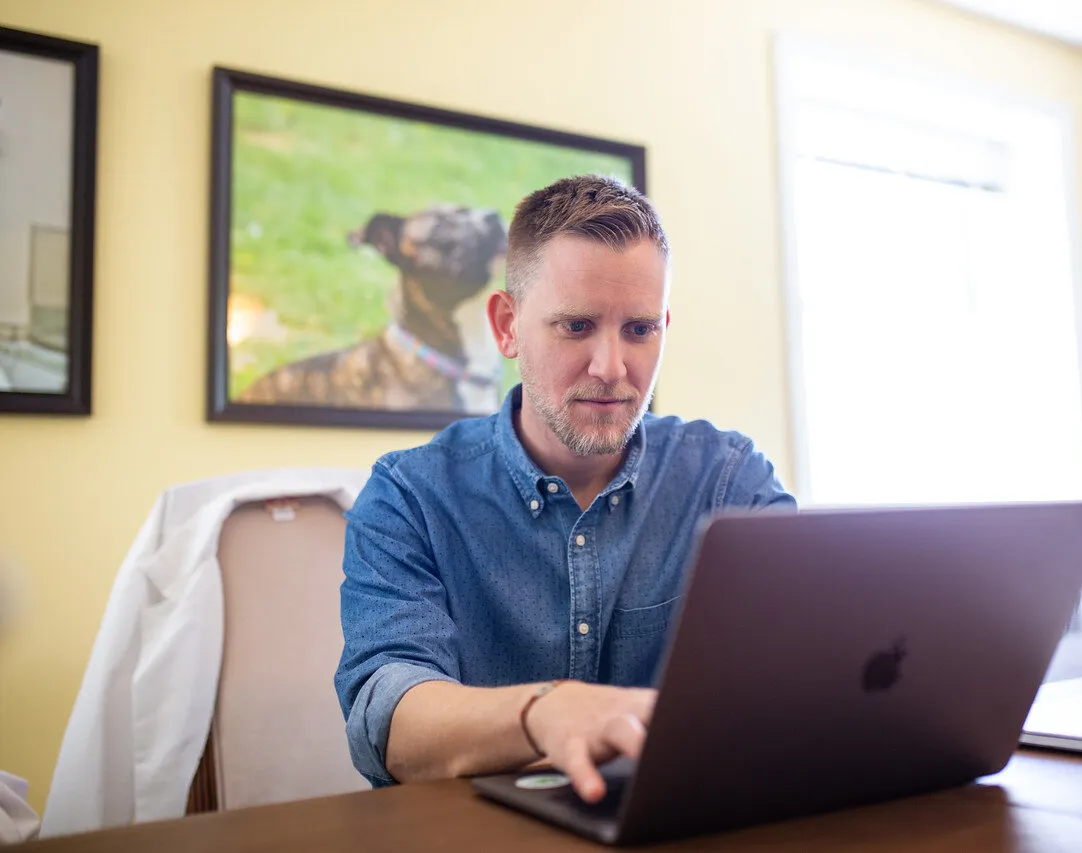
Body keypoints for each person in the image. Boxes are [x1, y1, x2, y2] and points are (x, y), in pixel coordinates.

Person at [336, 175, 795, 804]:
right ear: (506, 326)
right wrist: (543, 713)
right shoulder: (409, 496)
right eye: (577, 326)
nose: (612, 367)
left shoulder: (728, 478)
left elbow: (811, 664)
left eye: (639, 330)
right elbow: (386, 719)